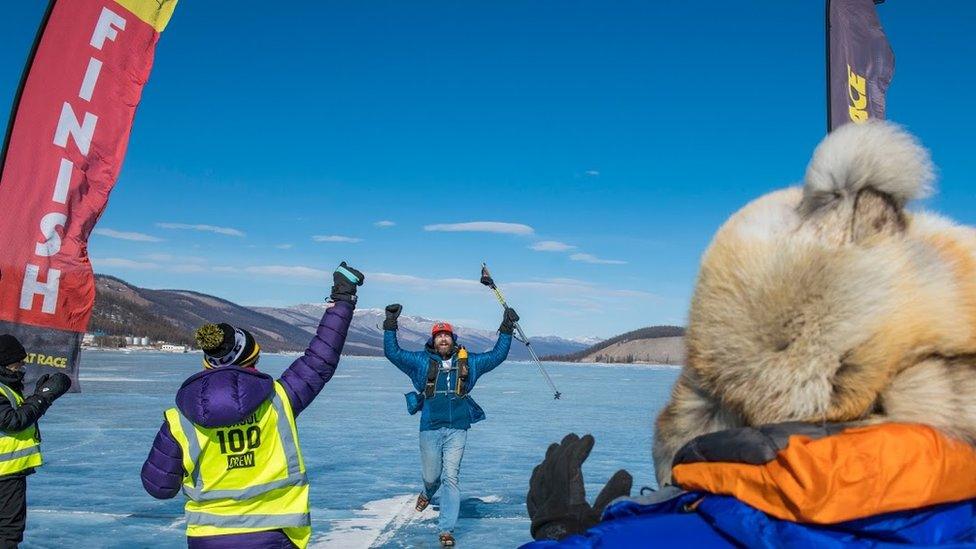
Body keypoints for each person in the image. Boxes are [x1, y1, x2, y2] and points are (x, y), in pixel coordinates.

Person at [140, 262, 364, 549]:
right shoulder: (280, 399)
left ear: (207, 362)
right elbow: (321, 359)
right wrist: (343, 299)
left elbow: (158, 487)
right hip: (276, 535)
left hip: (209, 539)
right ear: (252, 359)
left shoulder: (179, 420)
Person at [383, 303, 518, 547]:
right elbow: (393, 354)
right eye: (439, 336)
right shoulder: (419, 361)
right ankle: (427, 492)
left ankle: (446, 529)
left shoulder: (470, 362)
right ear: (433, 341)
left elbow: (497, 355)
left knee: (451, 478)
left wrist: (506, 328)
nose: (443, 339)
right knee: (432, 476)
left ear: (453, 339)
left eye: (446, 335)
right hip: (430, 427)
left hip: (458, 429)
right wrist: (390, 324)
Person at [0, 334, 71, 548]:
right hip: (5, 474)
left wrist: (36, 396)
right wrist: (43, 397)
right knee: (8, 531)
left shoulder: (8, 386)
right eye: (18, 362)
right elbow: (12, 420)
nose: (22, 367)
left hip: (9, 472)